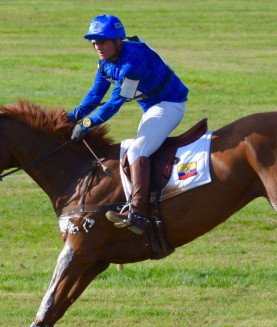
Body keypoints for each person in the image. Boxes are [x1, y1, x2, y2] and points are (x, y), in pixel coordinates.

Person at [68, 14, 189, 235]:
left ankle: (138, 215)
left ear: (117, 41)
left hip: (169, 105)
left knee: (137, 151)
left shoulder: (132, 63)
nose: (97, 47)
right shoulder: (106, 62)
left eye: (102, 41)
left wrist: (87, 123)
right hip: (152, 107)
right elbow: (95, 95)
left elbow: (114, 103)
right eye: (94, 42)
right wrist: (70, 118)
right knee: (133, 153)